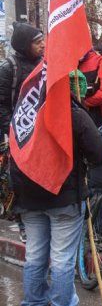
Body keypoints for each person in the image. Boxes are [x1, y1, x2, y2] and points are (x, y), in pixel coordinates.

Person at [13, 70, 102, 306]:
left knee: (35, 255)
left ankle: (34, 302)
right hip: (64, 198)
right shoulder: (73, 114)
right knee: (61, 259)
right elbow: (99, 154)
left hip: (29, 197)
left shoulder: (24, 113)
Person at [0, 22, 45, 244]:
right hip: (17, 135)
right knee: (18, 182)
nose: (42, 45)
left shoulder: (44, 65)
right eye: (38, 42)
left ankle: (38, 220)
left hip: (41, 136)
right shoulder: (9, 68)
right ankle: (22, 223)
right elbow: (2, 105)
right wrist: (12, 130)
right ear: (24, 45)